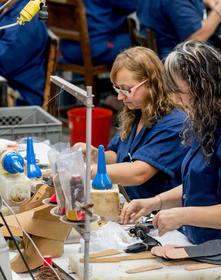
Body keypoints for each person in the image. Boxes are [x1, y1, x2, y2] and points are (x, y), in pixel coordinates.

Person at [121, 40, 221, 280]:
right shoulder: (212, 118)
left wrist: (182, 214)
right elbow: (201, 185)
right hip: (207, 247)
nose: (176, 100)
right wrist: (156, 202)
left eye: (179, 92)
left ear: (202, 84)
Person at [72, 47, 187, 200]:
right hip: (130, 203)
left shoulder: (175, 124)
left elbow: (138, 172)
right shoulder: (136, 112)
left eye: (126, 90)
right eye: (118, 89)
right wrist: (96, 156)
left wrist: (87, 171)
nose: (120, 97)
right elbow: (119, 155)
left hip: (158, 214)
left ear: (151, 83)